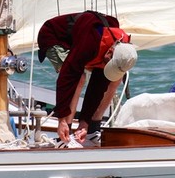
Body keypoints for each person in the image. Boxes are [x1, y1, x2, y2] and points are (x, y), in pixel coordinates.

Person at [37, 11, 138, 143]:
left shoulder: (121, 50)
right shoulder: (91, 40)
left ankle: (91, 129)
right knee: (79, 78)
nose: (104, 65)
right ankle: (65, 133)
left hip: (83, 44)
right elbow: (67, 78)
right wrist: (61, 119)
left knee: (113, 79)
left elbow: (97, 87)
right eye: (107, 62)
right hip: (55, 37)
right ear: (110, 51)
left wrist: (84, 123)